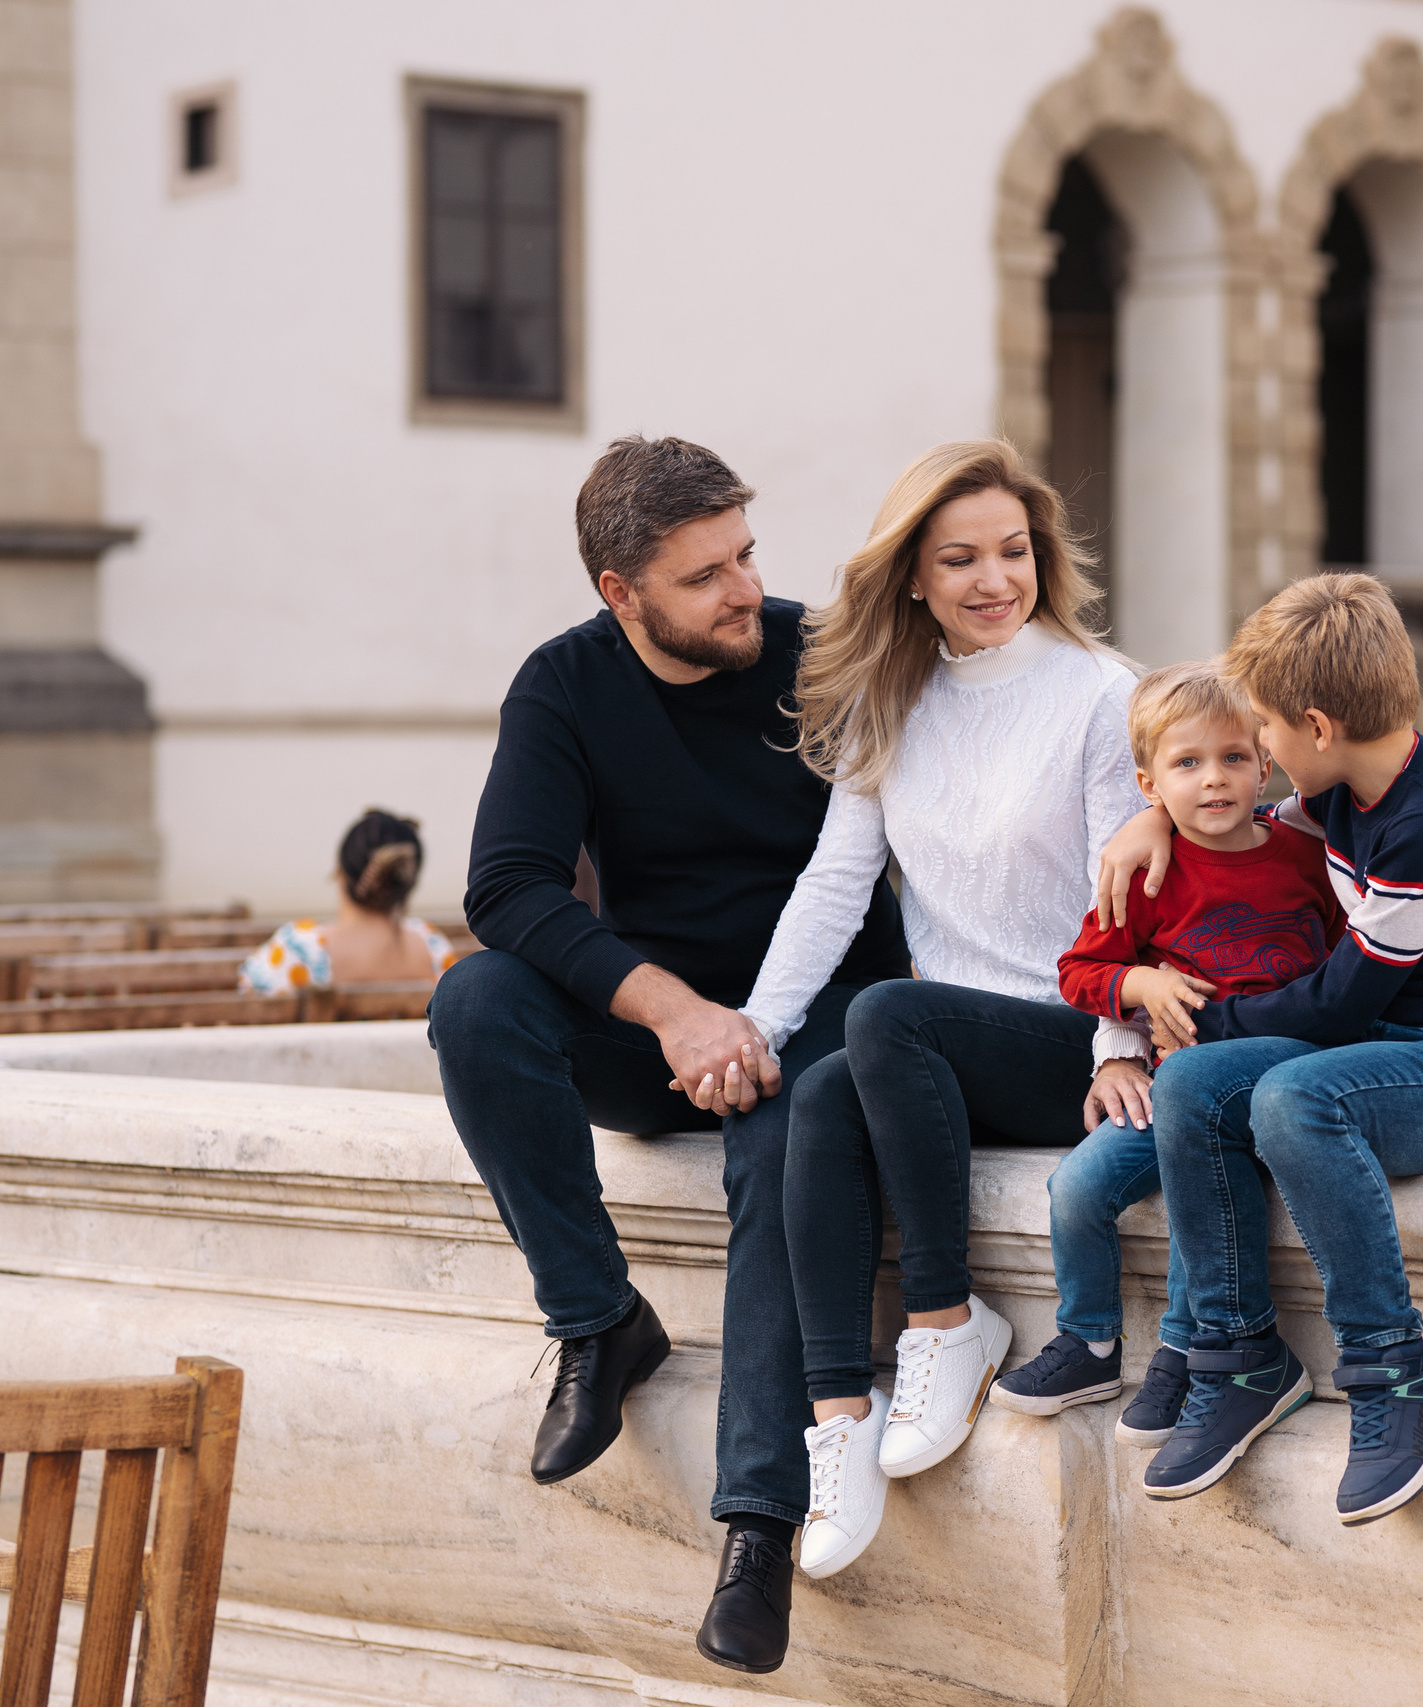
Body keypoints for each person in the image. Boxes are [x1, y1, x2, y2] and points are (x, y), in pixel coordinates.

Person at [426, 435, 909, 1675]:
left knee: (782, 1147)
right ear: (621, 595)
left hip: (821, 1022)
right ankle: (598, 1322)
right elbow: (508, 886)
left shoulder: (822, 654)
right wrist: (675, 1013)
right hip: (665, 1039)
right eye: (705, 577)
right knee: (478, 1003)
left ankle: (757, 1526)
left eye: (745, 555)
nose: (745, 589)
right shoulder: (565, 685)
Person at [709, 439, 1146, 1636]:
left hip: (1071, 1039)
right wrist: (754, 1026)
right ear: (912, 575)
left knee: (885, 1015)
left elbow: (1126, 898)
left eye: (1012, 552)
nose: (991, 578)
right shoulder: (892, 703)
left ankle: (950, 1324)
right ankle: (837, 1420)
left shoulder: (1102, 695)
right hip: (936, 1061)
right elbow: (832, 886)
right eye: (959, 559)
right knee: (826, 1086)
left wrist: (1116, 1042)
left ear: (1041, 558)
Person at [1099, 573, 1423, 1525]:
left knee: (1293, 1100)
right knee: (1190, 1085)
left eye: (1261, 728)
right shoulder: (1344, 789)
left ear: (1313, 725)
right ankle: (1239, 1355)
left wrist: (1215, 1020)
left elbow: (1342, 1002)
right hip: (1399, 1048)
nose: (1256, 750)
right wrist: (1153, 816)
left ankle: (1398, 1365)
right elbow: (1245, 828)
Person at [990, 661, 1342, 1442]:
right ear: (1149, 784)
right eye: (1187, 764)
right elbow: (1079, 972)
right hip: (1168, 1085)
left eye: (1232, 758)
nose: (1213, 780)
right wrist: (1141, 983)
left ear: (1265, 764)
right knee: (1076, 1186)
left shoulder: (1303, 858)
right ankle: (1089, 1340)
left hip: (1272, 1087)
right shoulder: (1149, 870)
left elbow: (1348, 959)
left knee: (1200, 1197)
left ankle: (1182, 1354)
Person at [238, 809, 459, 992]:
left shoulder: (298, 949)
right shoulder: (433, 948)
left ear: (340, 873)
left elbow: (249, 997)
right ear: (407, 885)